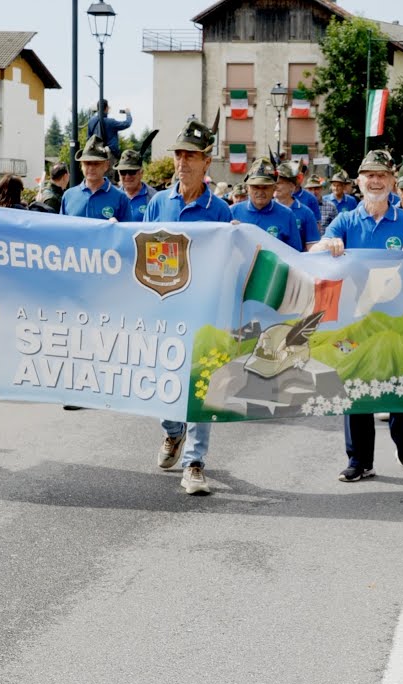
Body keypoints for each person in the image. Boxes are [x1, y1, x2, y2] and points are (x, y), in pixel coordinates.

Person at [310, 150, 403, 482]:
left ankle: (402, 438)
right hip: (356, 320)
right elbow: (318, 249)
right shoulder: (346, 220)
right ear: (358, 182)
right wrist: (327, 245)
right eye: (369, 175)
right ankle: (360, 459)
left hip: (400, 321)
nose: (375, 181)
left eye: (382, 175)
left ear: (391, 181)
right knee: (355, 390)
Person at [144, 117, 233, 495]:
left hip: (203, 315)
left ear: (206, 162)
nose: (183, 162)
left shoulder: (221, 211)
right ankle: (172, 432)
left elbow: (231, 262)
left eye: (191, 156)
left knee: (200, 387)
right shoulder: (158, 204)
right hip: (165, 311)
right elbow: (141, 253)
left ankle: (195, 463)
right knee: (165, 387)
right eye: (179, 154)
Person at [231, 157, 302, 251]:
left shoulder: (287, 215)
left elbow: (295, 253)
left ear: (274, 188)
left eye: (265, 187)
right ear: (247, 188)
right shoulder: (232, 212)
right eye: (255, 187)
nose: (260, 192)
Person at [60, 136, 130, 221]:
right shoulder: (68, 196)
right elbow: (62, 230)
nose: (91, 168)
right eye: (87, 163)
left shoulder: (120, 198)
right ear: (81, 165)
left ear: (106, 165)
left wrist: (117, 227)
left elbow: (127, 232)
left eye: (96, 163)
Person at [274, 163, 319, 250]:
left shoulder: (306, 213)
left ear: (292, 186)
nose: (275, 186)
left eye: (279, 183)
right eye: (274, 183)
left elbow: (312, 246)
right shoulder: (266, 209)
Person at [115, 149, 153, 220]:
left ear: (141, 173)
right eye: (123, 172)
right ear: (118, 173)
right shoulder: (113, 197)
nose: (127, 176)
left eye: (132, 172)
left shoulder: (153, 198)